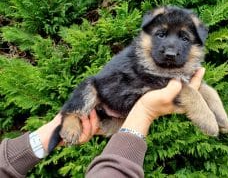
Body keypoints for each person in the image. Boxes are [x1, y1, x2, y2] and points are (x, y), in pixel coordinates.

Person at [0, 68, 205, 178]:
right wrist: (145, 112)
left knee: (107, 124)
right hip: (108, 101)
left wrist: (49, 134)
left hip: (109, 111)